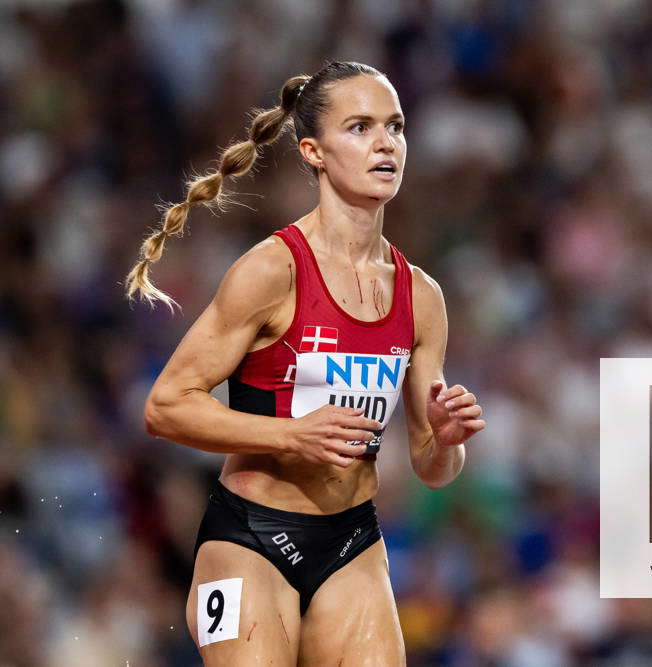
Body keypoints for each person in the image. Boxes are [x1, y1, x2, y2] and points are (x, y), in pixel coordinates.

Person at [128, 61, 485, 664]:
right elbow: (165, 407)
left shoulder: (421, 296)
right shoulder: (273, 270)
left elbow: (433, 468)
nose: (384, 143)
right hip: (248, 538)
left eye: (395, 128)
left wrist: (446, 441)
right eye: (360, 127)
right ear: (314, 152)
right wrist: (292, 436)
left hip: (352, 542)